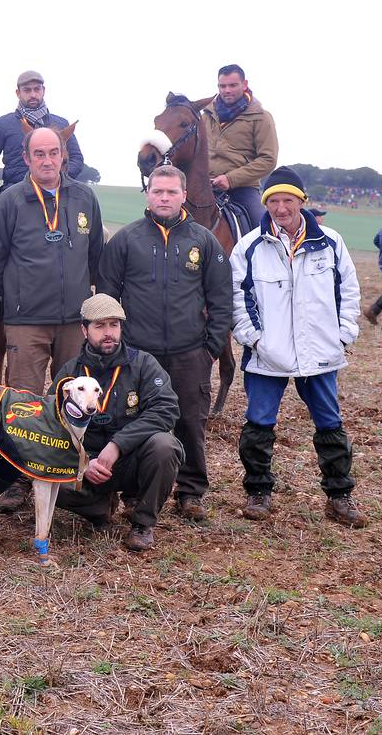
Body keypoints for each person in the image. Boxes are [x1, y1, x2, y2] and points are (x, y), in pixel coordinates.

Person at [0, 294, 182, 552]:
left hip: (129, 458)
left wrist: (118, 445)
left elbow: (166, 409)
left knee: (165, 446)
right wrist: (84, 464)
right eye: (99, 326)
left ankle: (142, 523)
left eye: (114, 325)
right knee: (46, 472)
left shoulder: (143, 364)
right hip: (85, 465)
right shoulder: (70, 374)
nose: (108, 333)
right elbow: (49, 429)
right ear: (84, 330)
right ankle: (99, 508)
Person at [230, 167, 365, 528]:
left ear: (301, 201)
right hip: (267, 355)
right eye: (273, 201)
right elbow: (237, 298)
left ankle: (339, 496)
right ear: (265, 204)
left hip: (320, 353)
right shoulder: (249, 246)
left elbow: (348, 291)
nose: (280, 208)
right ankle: (258, 492)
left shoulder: (331, 242)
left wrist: (343, 335)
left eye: (287, 200)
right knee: (258, 424)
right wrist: (254, 339)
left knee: (330, 423)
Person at [97, 165, 232, 521]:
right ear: (148, 194)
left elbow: (221, 299)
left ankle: (191, 492)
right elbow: (108, 297)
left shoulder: (203, 240)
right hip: (139, 354)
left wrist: (210, 348)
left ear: (184, 195)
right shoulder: (126, 239)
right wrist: (121, 348)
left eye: (172, 192)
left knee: (191, 422)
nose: (164, 198)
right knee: (134, 421)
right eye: (158, 191)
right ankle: (133, 492)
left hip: (190, 352)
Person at [0, 127, 103, 393]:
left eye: (53, 153)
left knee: (73, 398)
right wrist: (18, 291)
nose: (47, 161)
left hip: (74, 321)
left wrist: (77, 288)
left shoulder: (85, 197)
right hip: (26, 321)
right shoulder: (9, 201)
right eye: (39, 154)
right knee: (24, 402)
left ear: (63, 155)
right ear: (26, 158)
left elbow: (94, 254)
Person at [0, 70, 84, 191]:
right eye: (27, 90)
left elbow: (77, 158)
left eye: (37, 89)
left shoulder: (62, 124)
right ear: (18, 93)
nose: (33, 94)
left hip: (56, 194)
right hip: (15, 195)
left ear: (43, 90)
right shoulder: (3, 124)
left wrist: (57, 179)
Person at [200, 64, 279, 229]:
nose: (227, 90)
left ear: (245, 84)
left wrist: (230, 179)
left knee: (263, 229)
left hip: (243, 189)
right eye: (222, 86)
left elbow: (268, 159)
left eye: (232, 85)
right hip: (204, 186)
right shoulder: (206, 116)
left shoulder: (261, 117)